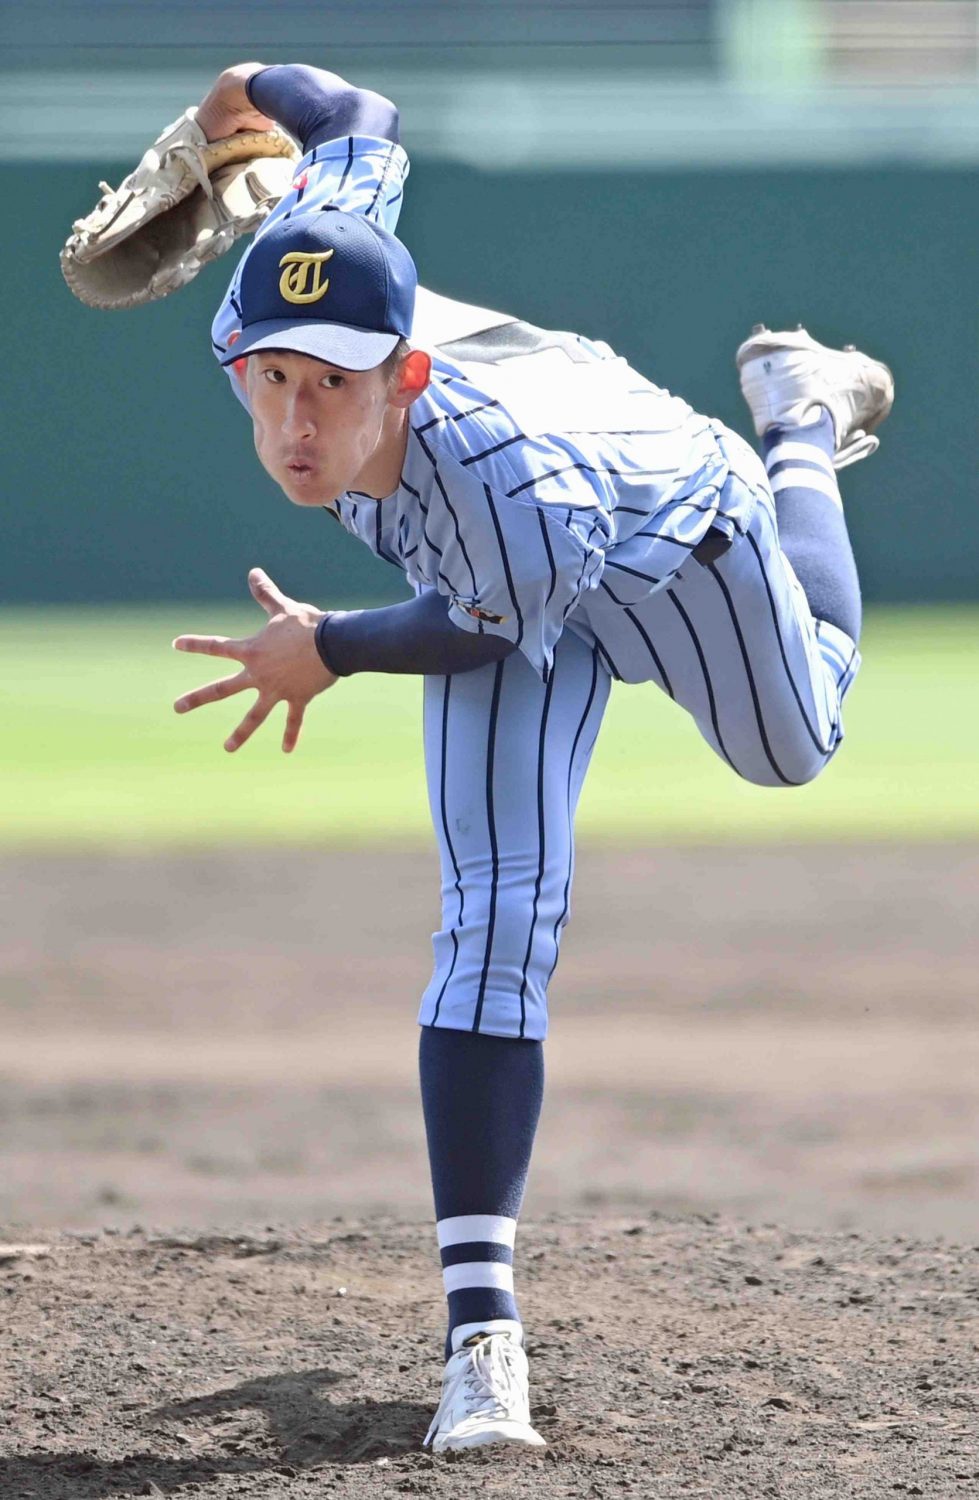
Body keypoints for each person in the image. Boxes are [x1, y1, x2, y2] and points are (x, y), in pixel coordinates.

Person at [174, 63, 893, 1453]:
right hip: (497, 574)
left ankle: (801, 425)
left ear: (408, 373)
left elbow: (474, 627)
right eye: (271, 381)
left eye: (333, 386)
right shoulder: (287, 277)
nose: (296, 424)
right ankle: (481, 1343)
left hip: (657, 536)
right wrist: (241, 94)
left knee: (803, 743)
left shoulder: (497, 485)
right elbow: (358, 121)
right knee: (495, 923)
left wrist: (325, 646)